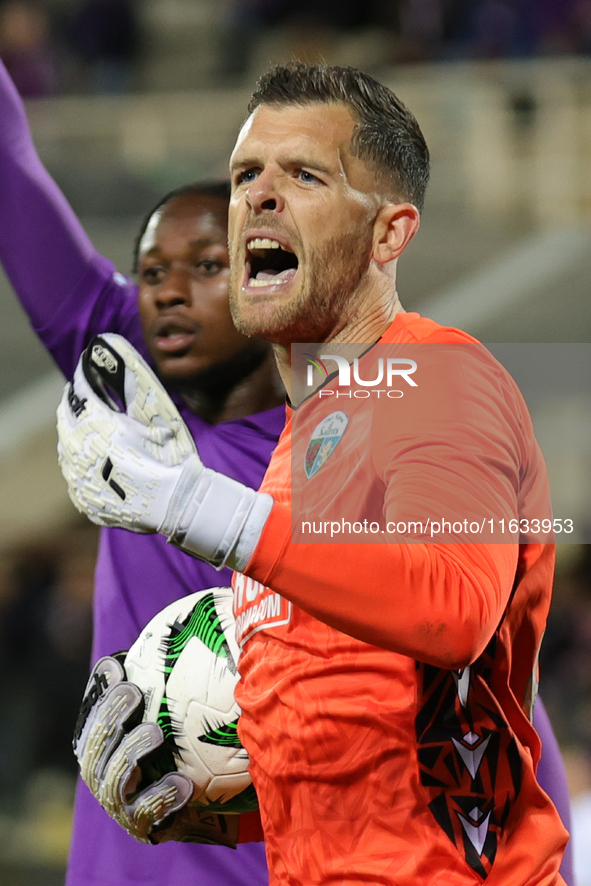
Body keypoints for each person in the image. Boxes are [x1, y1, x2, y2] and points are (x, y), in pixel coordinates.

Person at [59, 62, 572, 884]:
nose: (258, 196)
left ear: (389, 234)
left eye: (303, 174)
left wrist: (204, 508)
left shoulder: (434, 375)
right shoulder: (302, 448)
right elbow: (367, 754)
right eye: (244, 175)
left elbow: (453, 607)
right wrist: (194, 784)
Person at [0, 57, 284, 886]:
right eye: (152, 272)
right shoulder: (128, 375)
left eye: (207, 266)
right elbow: (11, 166)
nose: (166, 293)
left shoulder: (348, 458)